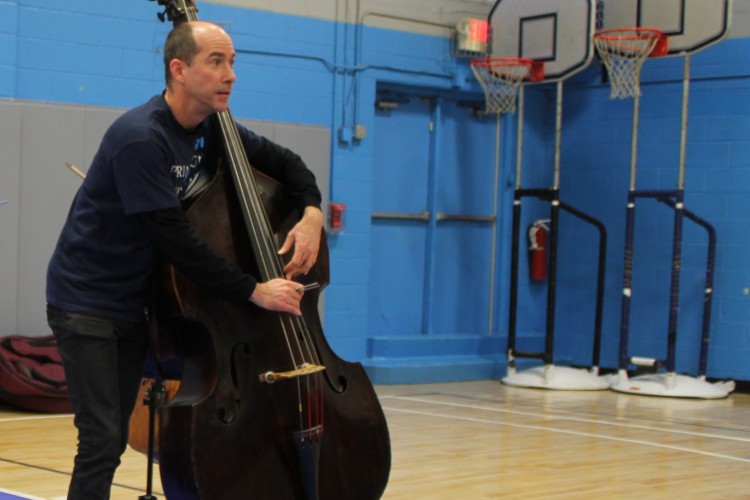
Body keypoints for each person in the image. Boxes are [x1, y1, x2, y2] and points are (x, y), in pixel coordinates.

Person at [46, 21, 324, 499]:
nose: (230, 75)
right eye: (216, 62)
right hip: (86, 302)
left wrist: (313, 214)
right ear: (179, 69)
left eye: (232, 62)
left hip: (133, 303)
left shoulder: (215, 129)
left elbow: (290, 165)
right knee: (102, 439)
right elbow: (176, 240)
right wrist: (254, 290)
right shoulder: (140, 137)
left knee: (108, 439)